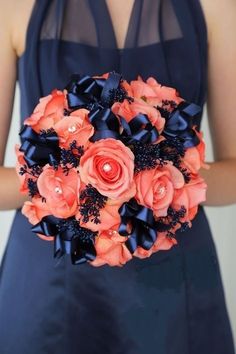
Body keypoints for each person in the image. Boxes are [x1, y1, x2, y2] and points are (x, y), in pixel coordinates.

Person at [0, 0, 235, 353]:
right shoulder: (14, 8)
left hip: (172, 285)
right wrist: (70, 183)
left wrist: (164, 181)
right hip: (49, 285)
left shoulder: (218, 7)